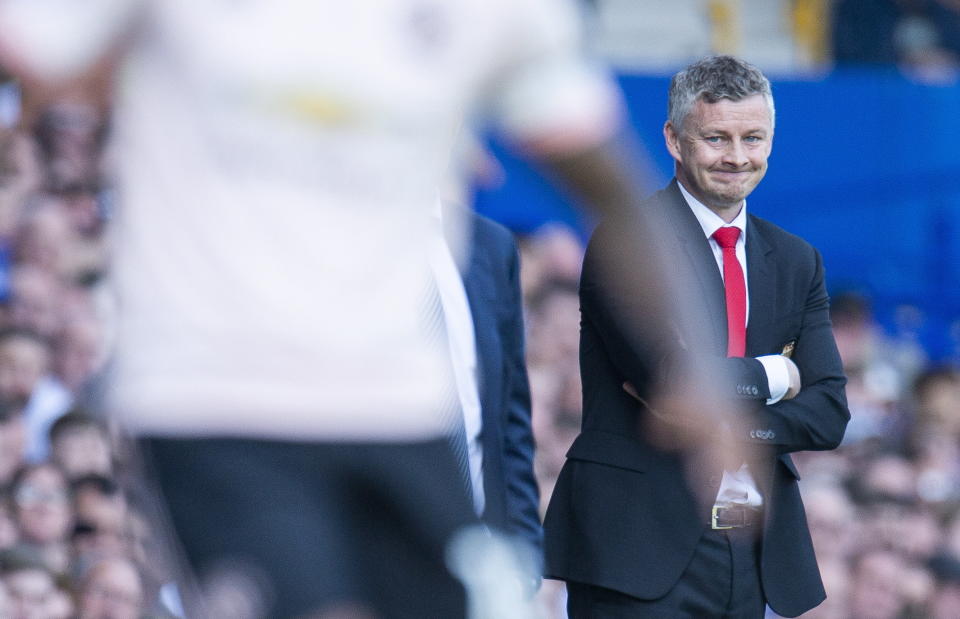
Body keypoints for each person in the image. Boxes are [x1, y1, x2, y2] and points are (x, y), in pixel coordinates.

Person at [0, 1, 690, 617]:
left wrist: (703, 372)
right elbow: (31, 47)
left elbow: (602, 171)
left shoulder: (498, 16)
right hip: (216, 394)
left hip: (400, 406)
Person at [543, 55, 850, 618]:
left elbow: (829, 412)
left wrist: (732, 415)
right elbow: (672, 385)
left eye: (753, 138)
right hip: (637, 547)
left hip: (750, 547)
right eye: (716, 137)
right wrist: (776, 376)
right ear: (674, 139)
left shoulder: (796, 260)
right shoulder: (627, 242)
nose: (737, 156)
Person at [434, 205, 541, 561]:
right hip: (380, 551)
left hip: (487, 549)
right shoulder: (335, 242)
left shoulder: (491, 244)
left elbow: (511, 417)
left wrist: (524, 552)